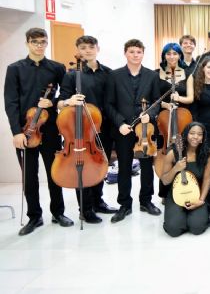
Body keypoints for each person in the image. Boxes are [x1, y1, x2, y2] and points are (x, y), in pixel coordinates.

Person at [4, 28, 71, 235]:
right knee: (30, 177)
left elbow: (65, 94)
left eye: (43, 42)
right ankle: (34, 217)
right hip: (25, 131)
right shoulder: (15, 69)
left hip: (50, 129)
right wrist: (16, 132)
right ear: (27, 43)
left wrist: (52, 102)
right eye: (35, 42)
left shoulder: (57, 67)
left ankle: (58, 212)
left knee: (54, 173)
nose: (39, 45)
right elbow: (10, 102)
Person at [57, 35, 117, 224]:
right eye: (83, 48)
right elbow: (60, 102)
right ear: (78, 50)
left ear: (97, 48)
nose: (87, 51)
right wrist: (69, 101)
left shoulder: (108, 73)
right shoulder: (71, 75)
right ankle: (85, 209)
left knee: (101, 166)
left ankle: (98, 202)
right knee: (83, 168)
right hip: (81, 131)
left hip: (104, 127)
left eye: (91, 47)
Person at [105, 39, 162, 223]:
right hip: (123, 130)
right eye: (131, 52)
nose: (135, 55)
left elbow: (157, 102)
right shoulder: (114, 75)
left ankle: (146, 201)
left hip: (145, 129)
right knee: (124, 167)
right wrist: (120, 123)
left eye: (139, 52)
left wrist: (150, 115)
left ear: (143, 54)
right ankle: (125, 205)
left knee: (146, 167)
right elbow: (109, 104)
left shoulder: (152, 76)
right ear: (125, 53)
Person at [160, 122, 210, 237]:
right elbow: (164, 180)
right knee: (173, 230)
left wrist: (201, 200)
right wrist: (175, 168)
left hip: (197, 193)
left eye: (199, 134)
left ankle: (193, 217)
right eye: (192, 133)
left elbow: (207, 179)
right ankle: (181, 217)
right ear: (186, 135)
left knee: (197, 228)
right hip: (177, 193)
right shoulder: (172, 153)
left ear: (203, 137)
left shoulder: (207, 154)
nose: (195, 137)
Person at [157, 43, 194, 200]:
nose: (172, 57)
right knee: (166, 155)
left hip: (182, 118)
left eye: (175, 53)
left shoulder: (188, 74)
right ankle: (164, 193)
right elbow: (154, 99)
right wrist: (166, 105)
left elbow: (191, 98)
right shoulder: (157, 74)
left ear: (180, 55)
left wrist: (179, 98)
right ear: (164, 56)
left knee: (183, 153)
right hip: (165, 119)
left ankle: (184, 188)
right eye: (168, 54)